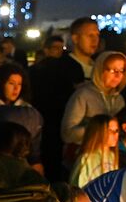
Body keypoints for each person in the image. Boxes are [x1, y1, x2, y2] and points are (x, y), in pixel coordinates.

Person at [30, 17, 100, 179]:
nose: (95, 40)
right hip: (61, 144)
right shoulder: (56, 68)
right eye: (89, 35)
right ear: (75, 38)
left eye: (97, 35)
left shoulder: (101, 67)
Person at [60, 49, 126, 159]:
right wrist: (98, 129)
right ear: (100, 70)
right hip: (83, 156)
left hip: (108, 158)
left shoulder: (119, 99)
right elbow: (67, 133)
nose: (118, 75)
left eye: (122, 70)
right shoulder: (83, 95)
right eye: (113, 70)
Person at [0, 61, 43, 169]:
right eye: (11, 83)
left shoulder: (28, 109)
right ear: (0, 83)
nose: (16, 89)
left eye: (19, 84)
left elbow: (34, 147)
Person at [68, 114, 119, 187]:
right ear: (97, 132)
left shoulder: (112, 156)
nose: (115, 134)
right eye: (110, 130)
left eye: (116, 130)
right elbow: (77, 186)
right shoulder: (86, 158)